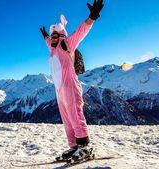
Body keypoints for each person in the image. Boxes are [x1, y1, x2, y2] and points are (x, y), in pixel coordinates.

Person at [40, 0, 104, 162]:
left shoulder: (67, 44)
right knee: (67, 118)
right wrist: (47, 36)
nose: (53, 38)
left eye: (55, 35)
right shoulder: (53, 48)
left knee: (75, 115)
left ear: (61, 34)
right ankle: (74, 146)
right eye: (52, 36)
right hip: (60, 89)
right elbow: (49, 42)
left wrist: (92, 16)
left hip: (70, 85)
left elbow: (80, 32)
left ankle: (85, 147)